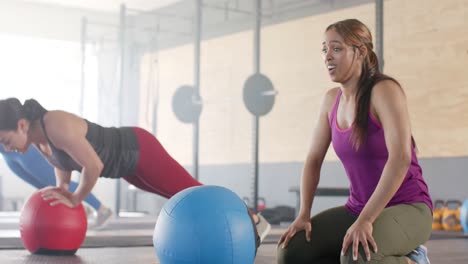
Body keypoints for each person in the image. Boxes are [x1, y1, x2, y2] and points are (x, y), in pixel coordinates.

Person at [0, 98, 270, 244]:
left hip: (138, 149)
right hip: (128, 168)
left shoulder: (54, 123)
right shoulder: (38, 141)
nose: (7, 148)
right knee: (178, 197)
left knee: (193, 192)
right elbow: (64, 165)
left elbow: (93, 165)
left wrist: (76, 198)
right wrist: (61, 189)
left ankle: (251, 217)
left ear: (22, 125)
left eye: (5, 140)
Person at [276, 19, 432, 264]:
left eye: (336, 48)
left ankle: (414, 261)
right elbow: (313, 160)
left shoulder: (384, 91)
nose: (327, 56)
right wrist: (304, 213)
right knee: (292, 251)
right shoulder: (331, 101)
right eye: (324, 49)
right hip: (358, 209)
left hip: (408, 207)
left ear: (359, 52)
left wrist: (366, 220)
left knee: (356, 258)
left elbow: (400, 159)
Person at [0, 144, 112, 228]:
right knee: (43, 188)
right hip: (7, 155)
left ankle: (102, 209)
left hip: (22, 149)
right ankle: (82, 209)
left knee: (57, 184)